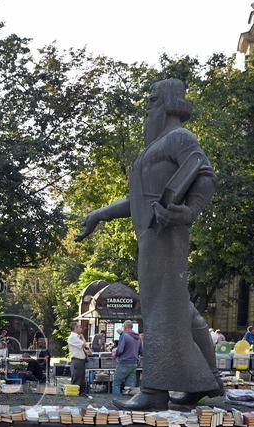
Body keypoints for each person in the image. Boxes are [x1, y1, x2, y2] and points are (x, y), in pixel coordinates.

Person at [78, 79, 223, 409]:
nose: (148, 106)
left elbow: (205, 175)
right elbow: (138, 200)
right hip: (153, 236)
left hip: (166, 233)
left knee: (159, 307)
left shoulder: (180, 137)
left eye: (153, 100)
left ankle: (155, 391)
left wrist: (188, 212)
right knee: (178, 307)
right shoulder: (156, 148)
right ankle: (209, 383)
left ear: (168, 103)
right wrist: (100, 214)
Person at [112, 321, 143, 395]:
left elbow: (120, 350)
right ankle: (129, 402)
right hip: (134, 363)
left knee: (117, 382)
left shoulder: (124, 335)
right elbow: (141, 351)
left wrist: (115, 354)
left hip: (124, 362)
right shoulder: (138, 337)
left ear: (125, 327)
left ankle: (117, 400)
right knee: (130, 386)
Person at [67, 322, 91, 395]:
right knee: (77, 378)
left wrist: (87, 352)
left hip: (80, 360)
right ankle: (74, 393)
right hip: (77, 360)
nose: (81, 328)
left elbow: (81, 348)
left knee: (81, 378)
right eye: (79, 327)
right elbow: (84, 344)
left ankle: (80, 393)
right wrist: (82, 336)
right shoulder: (73, 337)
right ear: (75, 328)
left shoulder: (76, 337)